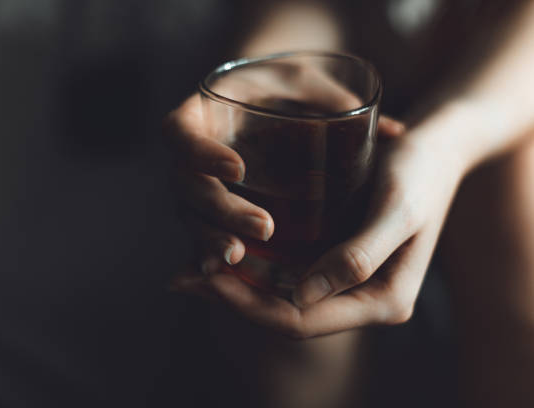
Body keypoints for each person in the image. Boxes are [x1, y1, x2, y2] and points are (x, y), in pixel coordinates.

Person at [167, 0, 534, 406]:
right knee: (291, 302)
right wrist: (270, 70)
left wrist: (447, 143)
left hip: (507, 68)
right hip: (356, 66)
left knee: (518, 210)